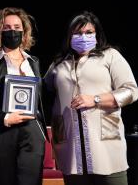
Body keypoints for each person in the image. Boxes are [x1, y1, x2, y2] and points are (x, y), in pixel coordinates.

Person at [44, 11, 138, 185]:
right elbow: (43, 90)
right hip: (70, 147)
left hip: (106, 146)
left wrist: (95, 99)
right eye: (78, 33)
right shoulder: (59, 63)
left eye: (89, 32)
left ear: (97, 34)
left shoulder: (110, 56)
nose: (83, 37)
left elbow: (131, 91)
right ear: (69, 36)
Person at [0, 7, 47, 185]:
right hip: (2, 133)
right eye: (6, 27)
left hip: (32, 134)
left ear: (24, 31)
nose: (12, 31)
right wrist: (4, 117)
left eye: (17, 27)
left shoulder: (34, 62)